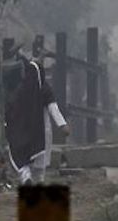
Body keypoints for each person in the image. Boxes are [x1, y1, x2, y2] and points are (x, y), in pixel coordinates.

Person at [4, 56, 70, 184]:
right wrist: (62, 125)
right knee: (40, 164)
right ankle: (39, 182)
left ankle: (26, 177)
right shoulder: (44, 89)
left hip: (22, 132)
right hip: (41, 132)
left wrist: (9, 127)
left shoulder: (21, 90)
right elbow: (53, 108)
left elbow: (10, 110)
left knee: (23, 158)